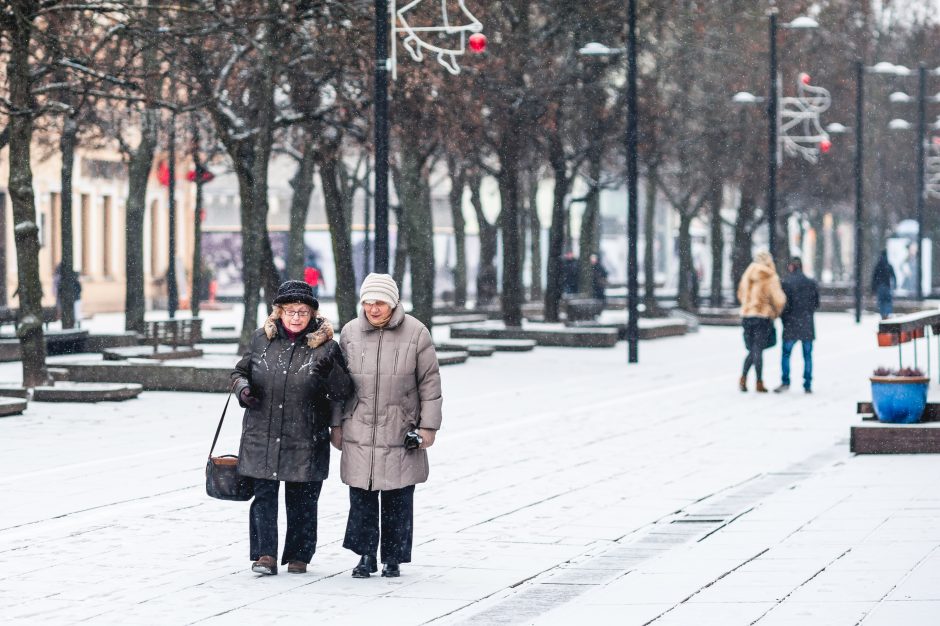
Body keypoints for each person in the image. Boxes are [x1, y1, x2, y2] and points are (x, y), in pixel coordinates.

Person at [232, 280, 352, 576]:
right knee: (264, 497)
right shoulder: (261, 339)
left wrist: (332, 374)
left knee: (303, 499)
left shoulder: (327, 347)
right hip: (262, 431)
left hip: (305, 434)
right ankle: (265, 555)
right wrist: (243, 390)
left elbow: (343, 391)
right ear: (278, 313)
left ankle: (299, 555)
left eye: (302, 311)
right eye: (289, 311)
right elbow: (239, 372)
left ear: (313, 314)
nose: (296, 317)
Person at [334, 273, 443, 579]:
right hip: (359, 427)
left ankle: (392, 557)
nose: (373, 308)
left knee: (397, 497)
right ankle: (365, 555)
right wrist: (336, 425)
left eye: (379, 302)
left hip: (400, 428)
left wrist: (428, 428)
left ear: (393, 303)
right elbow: (339, 384)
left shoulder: (417, 333)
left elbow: (430, 384)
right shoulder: (350, 333)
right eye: (367, 302)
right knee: (362, 495)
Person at [737, 251, 786, 393]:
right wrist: (774, 312)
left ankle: (744, 378)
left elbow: (741, 294)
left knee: (753, 349)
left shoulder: (747, 274)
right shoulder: (770, 276)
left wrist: (748, 305)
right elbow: (779, 299)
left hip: (747, 316)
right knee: (757, 349)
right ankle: (758, 382)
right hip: (762, 316)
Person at [775, 258, 819, 394]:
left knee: (786, 354)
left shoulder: (786, 283)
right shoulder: (811, 283)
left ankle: (785, 381)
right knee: (807, 355)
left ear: (791, 267)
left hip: (791, 324)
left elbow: (783, 305)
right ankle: (807, 383)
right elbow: (816, 303)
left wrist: (784, 318)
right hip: (806, 323)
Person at [871, 250, 896, 319]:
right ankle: (887, 314)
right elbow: (893, 276)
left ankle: (883, 314)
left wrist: (873, 288)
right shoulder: (888, 265)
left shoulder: (878, 265)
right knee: (887, 301)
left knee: (881, 301)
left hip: (880, 286)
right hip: (887, 286)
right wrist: (894, 286)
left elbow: (874, 277)